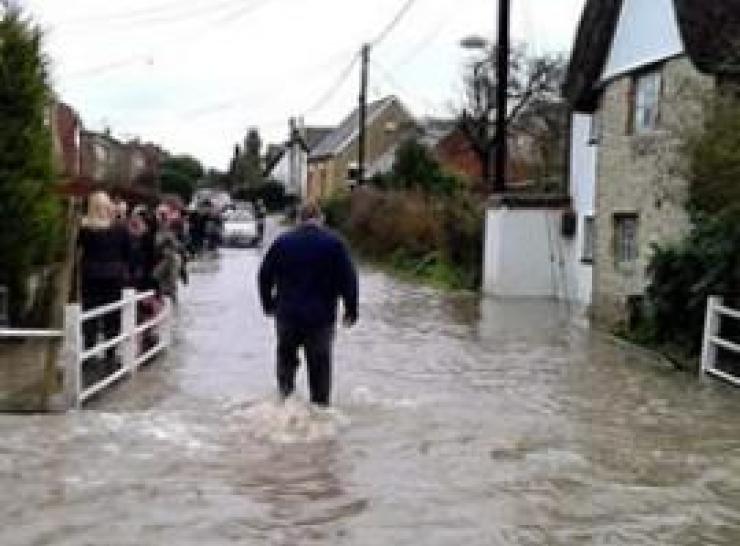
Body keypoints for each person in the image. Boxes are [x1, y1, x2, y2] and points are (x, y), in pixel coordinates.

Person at [258, 202, 358, 406]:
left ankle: (285, 403)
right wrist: (351, 308)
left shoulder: (282, 242)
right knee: (320, 367)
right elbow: (349, 278)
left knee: (286, 361)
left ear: (298, 219)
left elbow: (264, 275)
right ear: (321, 219)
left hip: (287, 315)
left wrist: (268, 304)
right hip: (320, 318)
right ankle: (320, 410)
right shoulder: (335, 244)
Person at [77, 191, 131, 368]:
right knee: (112, 315)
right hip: (113, 277)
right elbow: (127, 253)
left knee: (90, 314)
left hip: (90, 276)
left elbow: (76, 250)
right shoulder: (120, 229)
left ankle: (89, 352)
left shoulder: (84, 229)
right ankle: (110, 354)